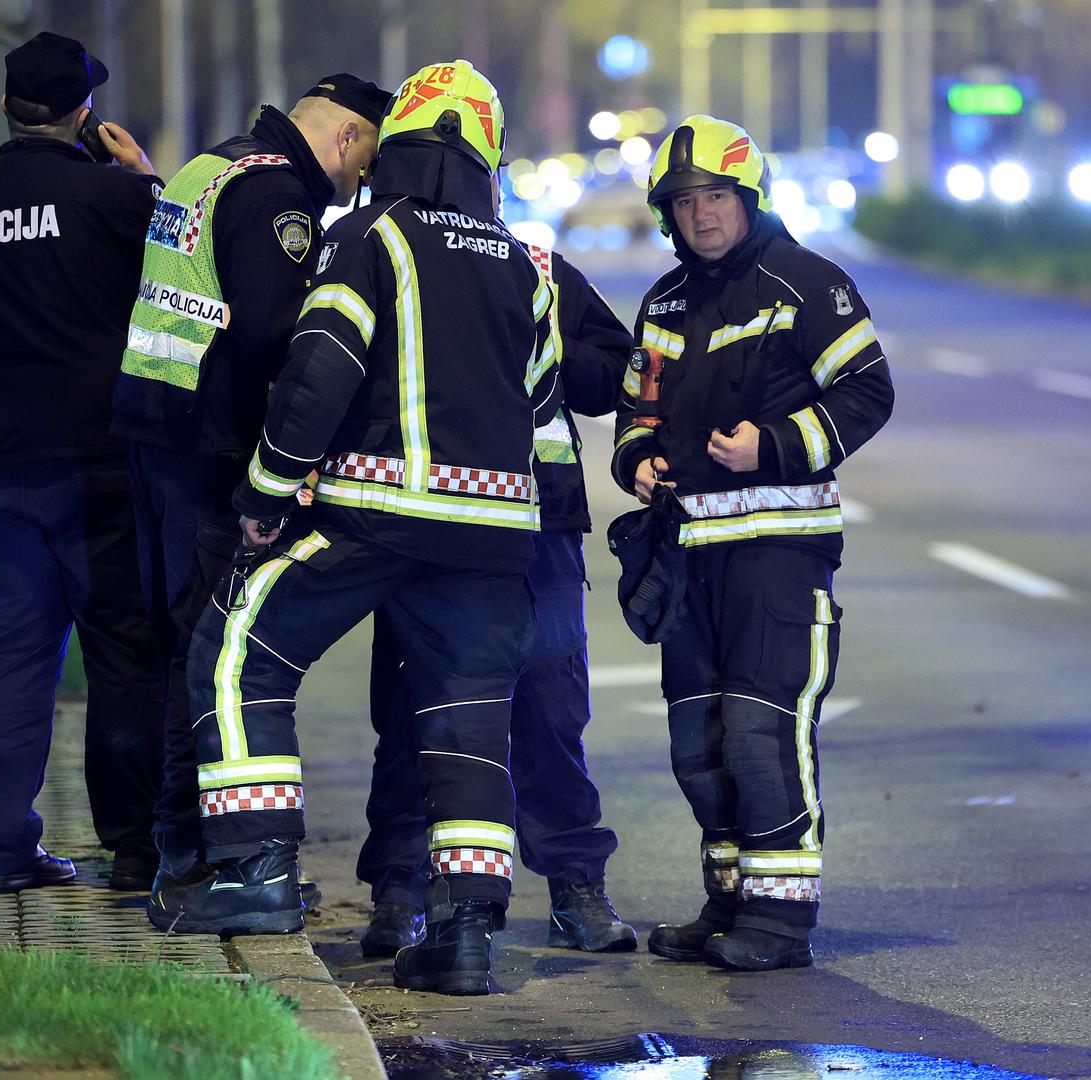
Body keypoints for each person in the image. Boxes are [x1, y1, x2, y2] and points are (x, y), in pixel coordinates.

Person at [164, 59, 558, 997]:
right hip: (495, 537)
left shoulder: (370, 236)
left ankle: (255, 874)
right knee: (468, 725)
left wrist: (264, 498)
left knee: (236, 651)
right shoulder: (525, 261)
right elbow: (540, 396)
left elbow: (317, 375)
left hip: (376, 514)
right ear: (486, 159)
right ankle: (464, 933)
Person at [610, 115, 894, 970]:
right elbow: (636, 406)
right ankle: (728, 899)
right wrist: (638, 460)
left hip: (780, 548)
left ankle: (780, 919)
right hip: (687, 551)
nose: (701, 215)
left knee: (758, 731)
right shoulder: (663, 301)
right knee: (694, 741)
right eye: (685, 201)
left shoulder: (807, 282)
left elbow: (868, 391)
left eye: (716, 197)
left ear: (749, 199)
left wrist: (771, 445)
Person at [108, 73, 389, 909]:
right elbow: (278, 340)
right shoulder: (280, 200)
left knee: (170, 645)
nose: (363, 183)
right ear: (345, 138)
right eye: (366, 161)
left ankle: (158, 848)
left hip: (154, 434)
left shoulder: (212, 168)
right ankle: (188, 853)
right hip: (211, 448)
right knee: (207, 652)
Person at [0, 31, 166, 894]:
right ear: (85, 115)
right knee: (121, 658)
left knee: (12, 659)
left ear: (4, 107)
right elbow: (179, 271)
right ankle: (137, 850)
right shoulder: (113, 200)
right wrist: (142, 180)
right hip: (98, 464)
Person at [357, 237, 636, 957]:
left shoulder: (537, 267)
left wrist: (535, 344)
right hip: (426, 524)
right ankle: (400, 891)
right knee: (412, 708)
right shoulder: (393, 252)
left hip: (538, 521)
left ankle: (576, 886)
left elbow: (612, 376)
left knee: (549, 709)